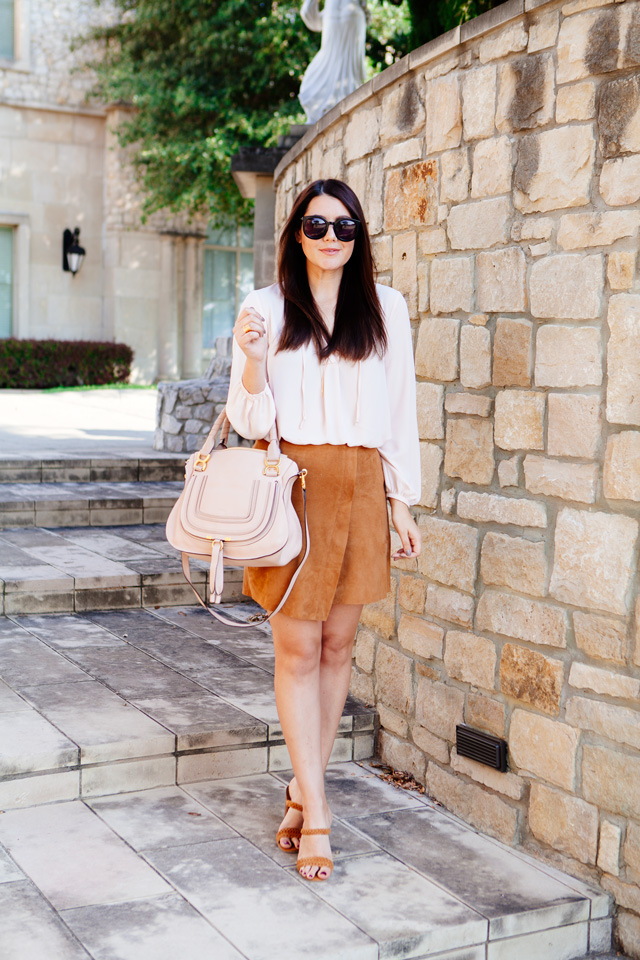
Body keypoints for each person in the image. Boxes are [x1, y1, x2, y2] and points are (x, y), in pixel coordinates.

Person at [226, 178, 421, 882]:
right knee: (298, 650)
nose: (332, 238)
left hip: (364, 486)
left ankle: (300, 791)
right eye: (317, 225)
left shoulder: (387, 309)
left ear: (359, 236)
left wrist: (403, 500)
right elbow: (250, 422)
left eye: (345, 227)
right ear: (296, 234)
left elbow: (402, 410)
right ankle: (321, 815)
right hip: (293, 487)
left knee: (339, 646)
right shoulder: (266, 307)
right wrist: (251, 359)